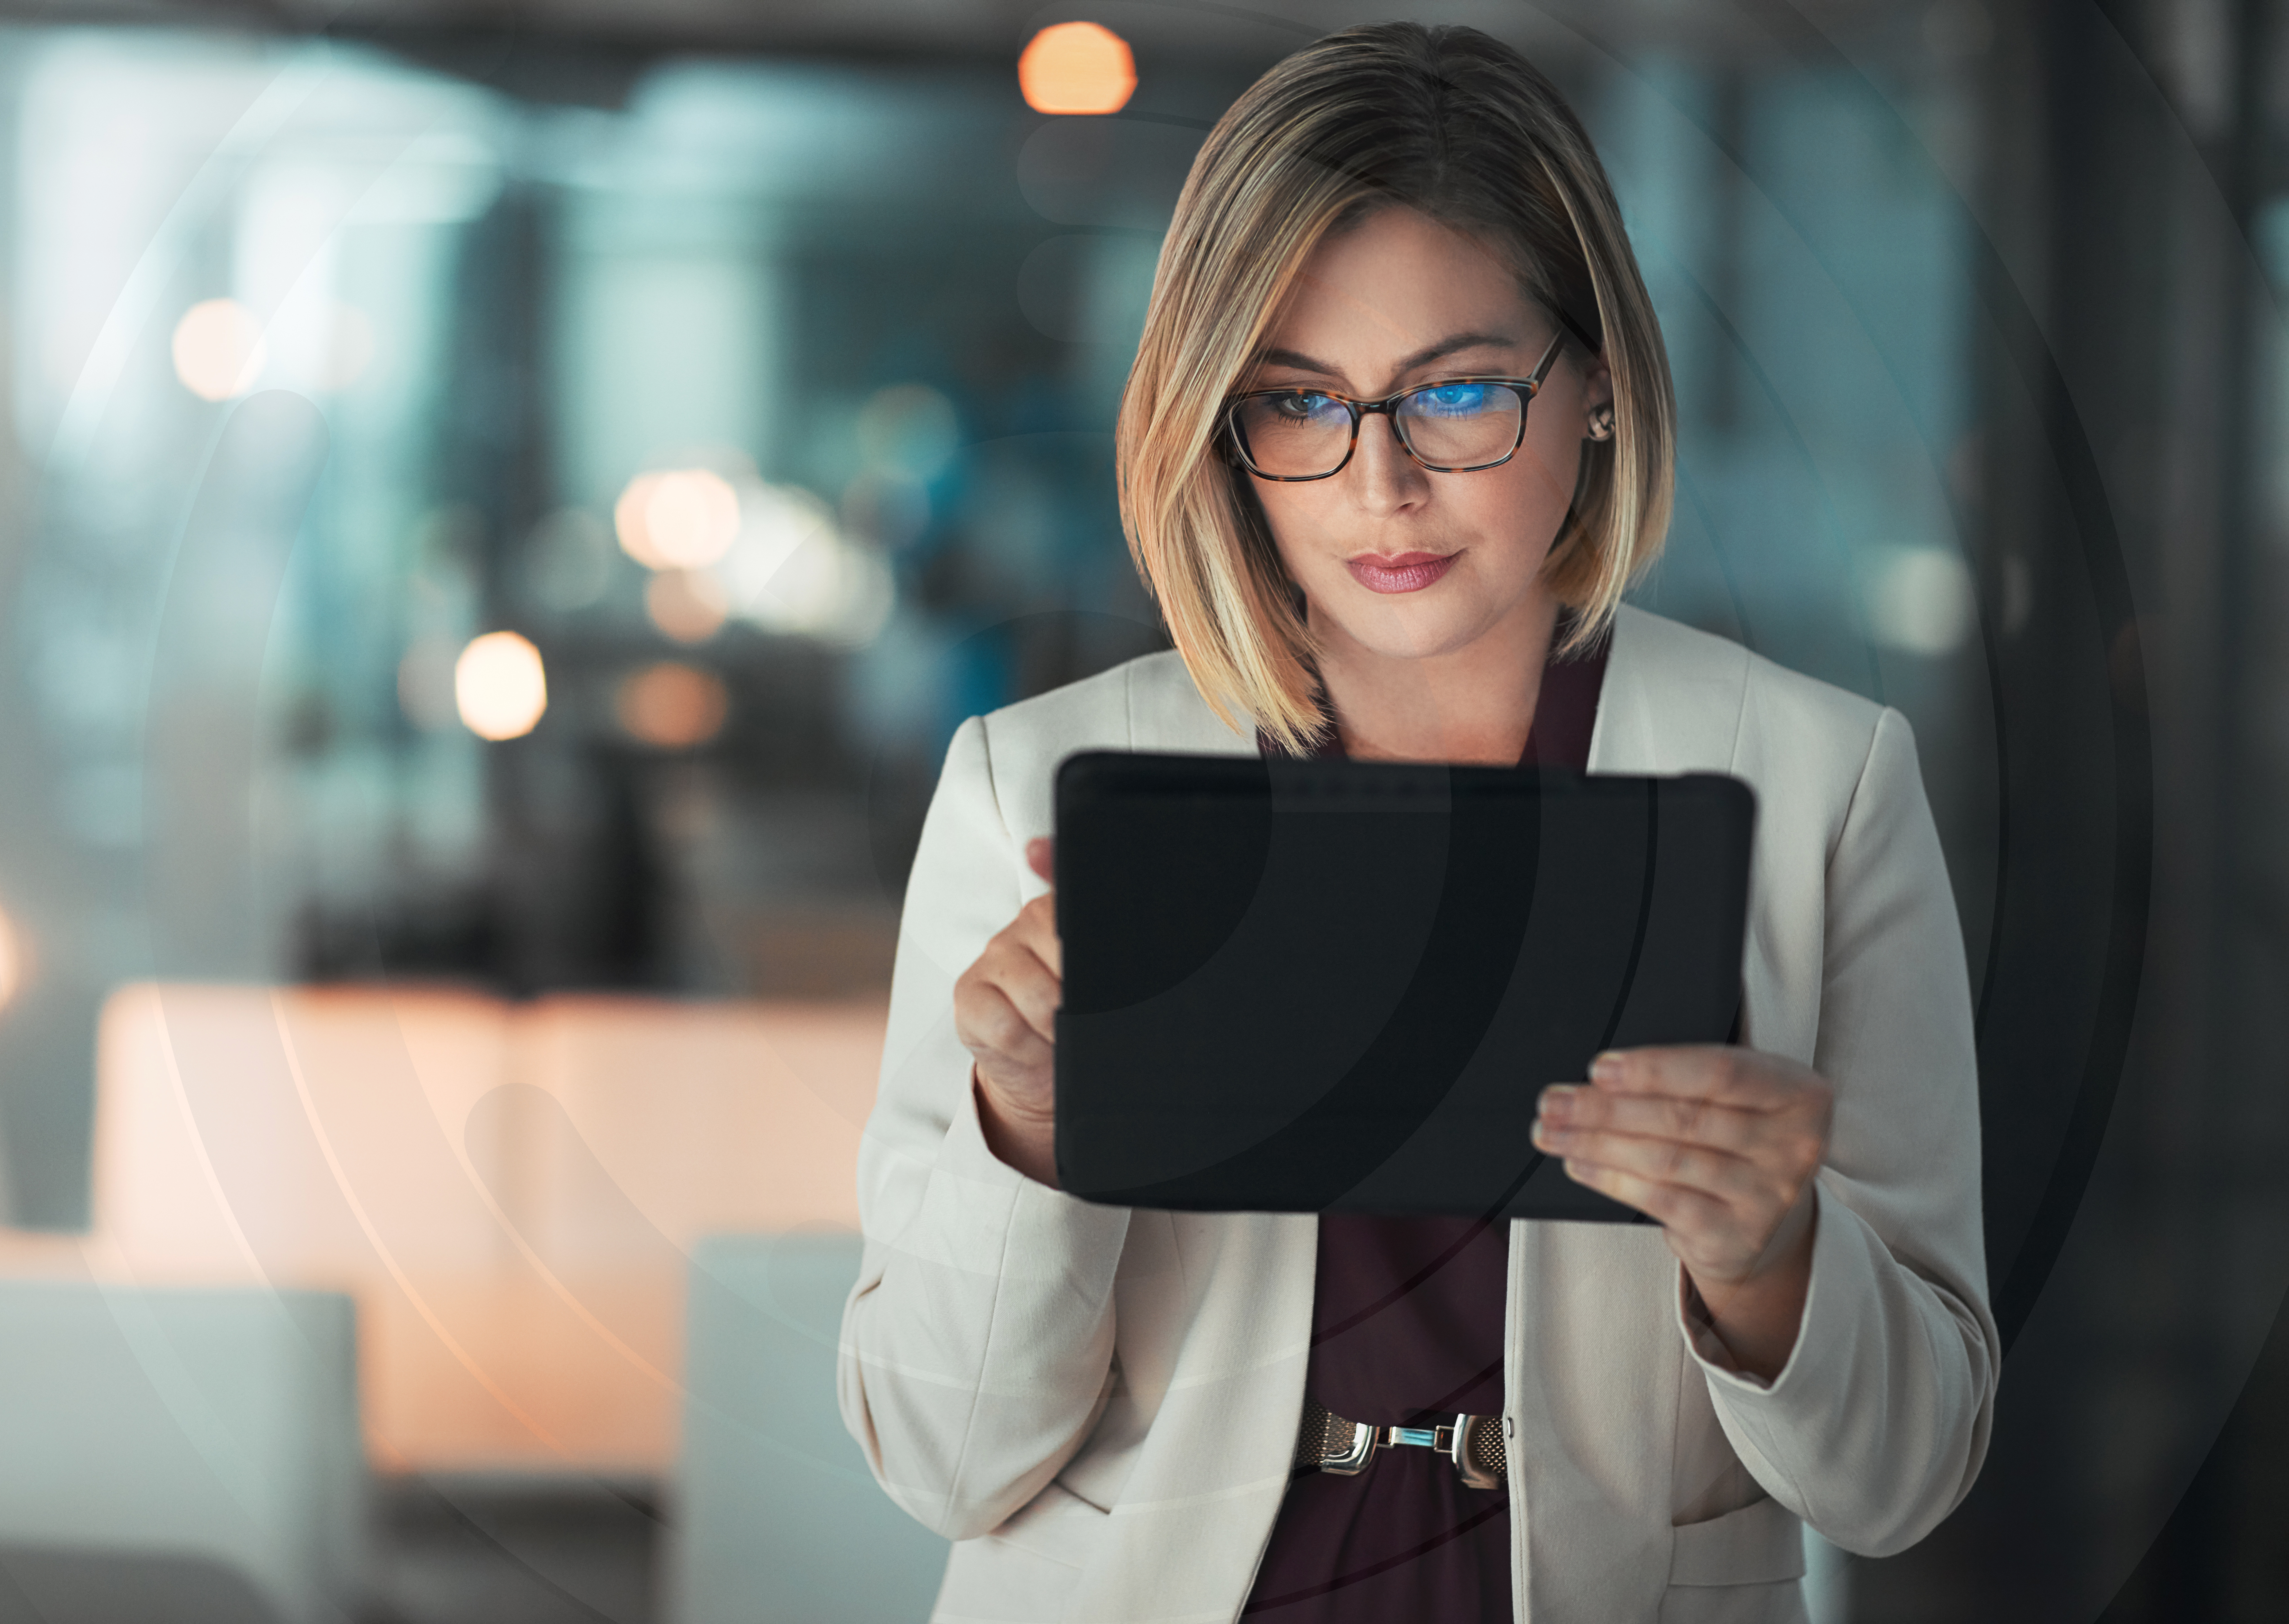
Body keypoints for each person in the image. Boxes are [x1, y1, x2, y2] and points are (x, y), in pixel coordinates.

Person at [839, 22, 1996, 1623]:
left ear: (1596, 388)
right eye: (1298, 404)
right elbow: (938, 1460)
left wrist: (1772, 1265)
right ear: (1222, 431)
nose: (1379, 485)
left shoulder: (1821, 783)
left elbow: (1908, 1475)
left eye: (1456, 392)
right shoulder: (1030, 788)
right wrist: (1028, 1134)